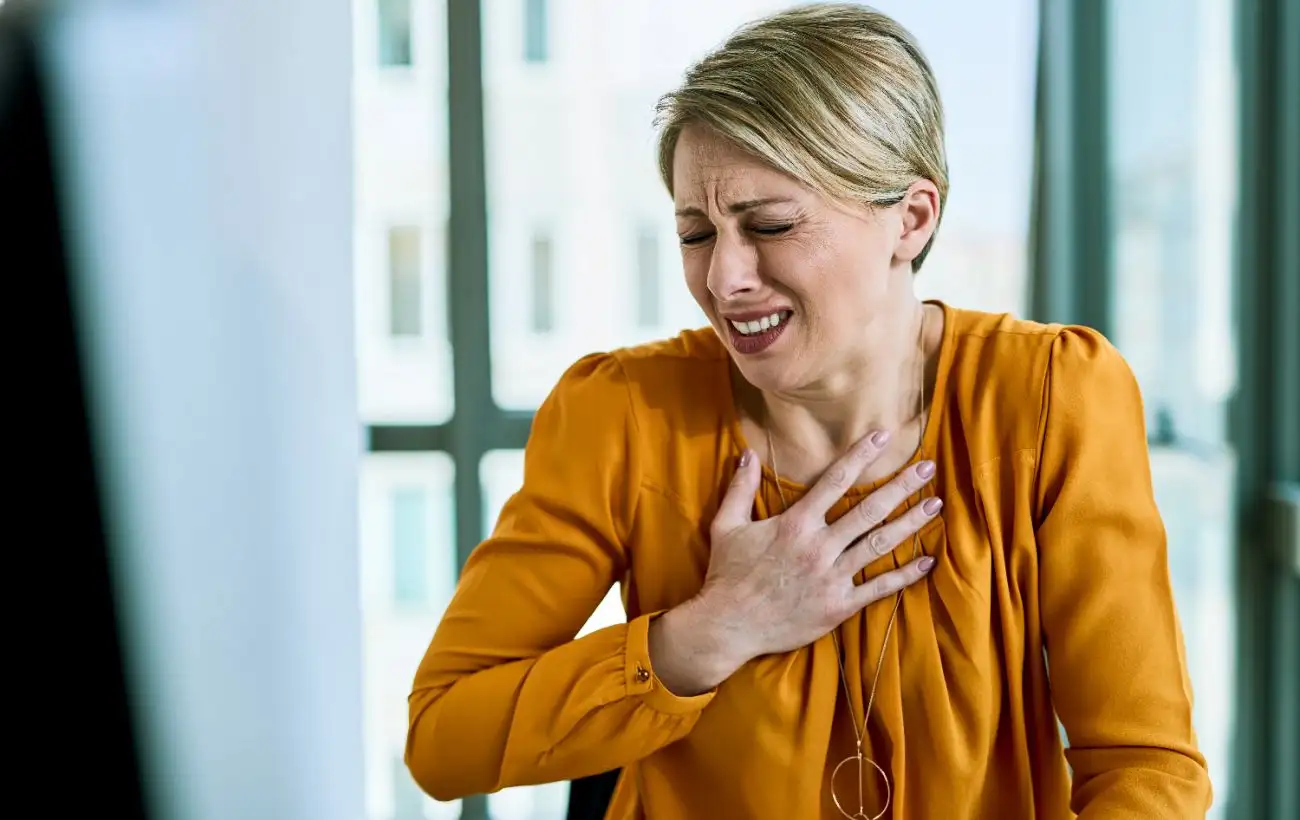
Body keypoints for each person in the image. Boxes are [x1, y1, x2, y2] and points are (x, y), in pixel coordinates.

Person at [404, 4, 1212, 817]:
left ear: (912, 217)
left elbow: (1146, 769)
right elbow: (444, 736)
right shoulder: (623, 414)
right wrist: (711, 631)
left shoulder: (1050, 398)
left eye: (770, 225)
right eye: (695, 233)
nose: (724, 278)